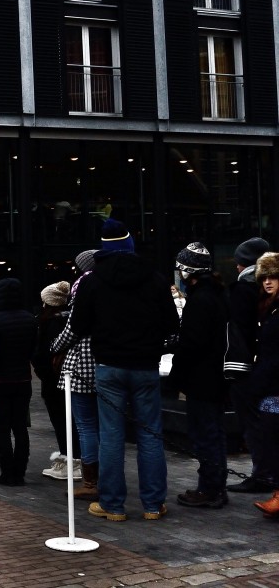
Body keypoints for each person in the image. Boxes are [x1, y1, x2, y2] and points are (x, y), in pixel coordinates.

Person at [68, 219, 178, 522]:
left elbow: (77, 326)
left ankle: (113, 505)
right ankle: (153, 504)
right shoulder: (154, 278)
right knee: (150, 434)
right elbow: (172, 324)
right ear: (130, 244)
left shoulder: (93, 280)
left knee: (111, 436)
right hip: (145, 365)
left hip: (109, 366)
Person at [170, 242, 229, 509]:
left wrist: (176, 377)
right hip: (217, 376)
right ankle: (215, 485)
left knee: (204, 434)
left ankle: (210, 489)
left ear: (187, 272)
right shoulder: (218, 294)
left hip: (202, 378)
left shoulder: (199, 300)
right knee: (214, 432)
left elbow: (191, 344)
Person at [51, 250, 100, 500]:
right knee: (106, 427)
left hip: (83, 363)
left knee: (87, 426)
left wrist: (54, 346)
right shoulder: (109, 283)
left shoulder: (84, 286)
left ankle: (92, 482)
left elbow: (73, 327)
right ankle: (107, 478)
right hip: (108, 360)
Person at [227, 237, 273, 494]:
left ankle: (263, 474)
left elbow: (240, 330)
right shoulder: (259, 290)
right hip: (262, 366)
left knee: (255, 422)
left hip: (249, 367)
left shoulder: (243, 289)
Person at [0, 277, 38, 486]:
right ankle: (20, 471)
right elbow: (34, 349)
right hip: (22, 378)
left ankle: (7, 472)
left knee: (3, 428)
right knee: (20, 427)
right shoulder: (29, 318)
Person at [34, 280, 80, 482]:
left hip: (55, 378)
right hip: (65, 376)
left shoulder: (52, 323)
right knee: (69, 420)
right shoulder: (68, 319)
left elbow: (46, 352)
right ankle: (70, 458)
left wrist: (42, 368)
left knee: (62, 421)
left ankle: (73, 461)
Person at [250, 252, 279, 517]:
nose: (268, 282)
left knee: (274, 437)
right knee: (271, 437)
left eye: (273, 277)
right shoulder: (269, 307)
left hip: (275, 386)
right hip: (270, 385)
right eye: (264, 277)